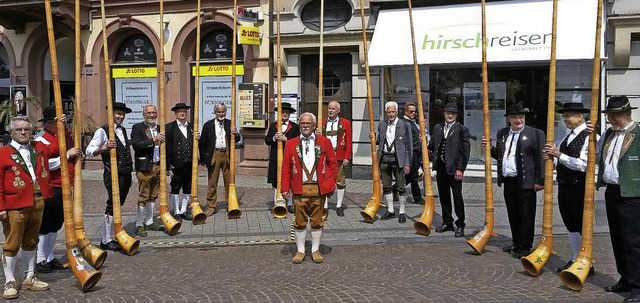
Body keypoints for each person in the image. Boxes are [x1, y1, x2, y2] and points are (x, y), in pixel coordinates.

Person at [482, 103, 544, 258]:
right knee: (513, 213)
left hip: (526, 181)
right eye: (515, 117)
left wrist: (539, 180)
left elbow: (540, 159)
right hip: (509, 181)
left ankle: (524, 246)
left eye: (521, 117)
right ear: (509, 119)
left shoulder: (535, 134)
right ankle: (516, 242)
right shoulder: (502, 133)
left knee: (526, 215)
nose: (518, 120)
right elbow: (501, 156)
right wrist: (489, 148)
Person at [0, 116, 52, 299]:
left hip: (36, 201)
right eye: (18, 130)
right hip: (14, 205)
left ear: (32, 131)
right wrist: (1, 207)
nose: (22, 133)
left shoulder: (37, 148)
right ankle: (9, 281)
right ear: (11, 133)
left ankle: (29, 277)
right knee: (12, 243)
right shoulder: (3, 153)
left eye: (26, 130)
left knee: (31, 241)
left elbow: (56, 142)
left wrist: (60, 123)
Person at [596, 96, 640, 302]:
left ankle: (637, 286)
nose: (611, 119)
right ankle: (625, 278)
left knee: (633, 241)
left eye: (615, 115)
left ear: (627, 113)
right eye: (610, 115)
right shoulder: (608, 135)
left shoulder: (638, 133)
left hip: (632, 193)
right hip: (612, 192)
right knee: (617, 238)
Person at [544, 102, 595, 274]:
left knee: (580, 223)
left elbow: (582, 165)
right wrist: (552, 157)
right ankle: (575, 257)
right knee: (570, 223)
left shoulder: (588, 136)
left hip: (579, 187)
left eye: (568, 116)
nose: (565, 119)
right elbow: (562, 158)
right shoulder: (568, 136)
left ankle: (587, 260)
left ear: (580, 116)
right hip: (565, 185)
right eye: (564, 116)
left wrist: (558, 154)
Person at [282, 112, 337, 264]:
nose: (305, 126)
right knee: (299, 221)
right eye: (302, 123)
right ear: (299, 125)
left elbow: (332, 164)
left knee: (317, 221)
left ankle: (315, 250)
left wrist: (330, 184)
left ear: (314, 126)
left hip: (319, 189)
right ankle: (300, 251)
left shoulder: (324, 142)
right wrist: (284, 188)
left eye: (308, 123)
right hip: (299, 189)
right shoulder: (291, 143)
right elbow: (286, 167)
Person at [34, 106, 83, 273]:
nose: (62, 123)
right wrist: (67, 155)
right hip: (51, 187)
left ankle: (49, 255)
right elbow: (44, 165)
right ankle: (40, 258)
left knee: (56, 222)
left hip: (64, 185)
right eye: (59, 120)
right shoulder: (42, 141)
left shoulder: (61, 136)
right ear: (49, 123)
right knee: (45, 223)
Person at [85, 102, 133, 251]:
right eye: (117, 114)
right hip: (112, 174)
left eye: (122, 114)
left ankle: (115, 234)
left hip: (125, 174)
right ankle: (105, 239)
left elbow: (125, 152)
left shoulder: (123, 131)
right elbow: (89, 151)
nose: (120, 117)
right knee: (112, 204)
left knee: (119, 204)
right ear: (111, 114)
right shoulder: (102, 131)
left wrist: (129, 174)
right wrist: (104, 148)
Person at [427, 101, 470, 237]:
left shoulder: (462, 129)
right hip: (441, 167)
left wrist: (460, 169)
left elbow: (465, 152)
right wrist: (425, 143)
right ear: (444, 114)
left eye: (452, 113)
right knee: (444, 196)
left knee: (457, 197)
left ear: (456, 115)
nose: (450, 115)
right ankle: (447, 222)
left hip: (454, 169)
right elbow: (433, 145)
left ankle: (460, 224)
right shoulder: (438, 128)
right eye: (447, 113)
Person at [199, 103, 241, 216]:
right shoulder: (208, 125)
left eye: (223, 112)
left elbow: (237, 139)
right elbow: (202, 143)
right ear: (215, 112)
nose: (221, 114)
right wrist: (203, 159)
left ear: (225, 112)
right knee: (212, 182)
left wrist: (235, 133)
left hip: (227, 155)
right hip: (214, 155)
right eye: (219, 112)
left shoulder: (230, 123)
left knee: (229, 182)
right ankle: (211, 206)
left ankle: (230, 203)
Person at [130, 105, 164, 236]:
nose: (151, 115)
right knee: (143, 195)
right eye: (148, 112)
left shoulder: (160, 128)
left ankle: (149, 221)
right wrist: (152, 140)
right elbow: (137, 145)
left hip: (158, 166)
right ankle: (139, 224)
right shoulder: (137, 127)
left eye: (154, 112)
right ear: (143, 114)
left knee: (153, 195)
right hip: (144, 167)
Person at [375, 101, 412, 223]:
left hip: (399, 159)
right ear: (386, 113)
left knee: (401, 187)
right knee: (386, 186)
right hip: (384, 158)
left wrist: (407, 163)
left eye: (393, 112)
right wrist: (373, 137)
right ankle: (390, 210)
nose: (391, 114)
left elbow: (408, 146)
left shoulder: (405, 125)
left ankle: (402, 211)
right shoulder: (381, 124)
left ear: (397, 112)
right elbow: (379, 140)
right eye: (389, 112)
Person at [265, 102, 300, 213]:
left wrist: (286, 139)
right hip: (276, 157)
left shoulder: (295, 127)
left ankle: (289, 203)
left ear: (289, 114)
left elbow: (298, 142)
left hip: (289, 157)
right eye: (282, 112)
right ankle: (277, 202)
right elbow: (267, 141)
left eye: (286, 112)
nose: (284, 114)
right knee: (276, 179)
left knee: (290, 178)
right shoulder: (273, 125)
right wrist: (274, 138)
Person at [320, 101, 352, 216]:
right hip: (324, 156)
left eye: (333, 109)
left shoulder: (345, 123)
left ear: (338, 110)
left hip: (339, 155)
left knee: (340, 181)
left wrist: (347, 157)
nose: (330, 110)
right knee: (324, 179)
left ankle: (339, 205)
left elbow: (348, 141)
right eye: (329, 108)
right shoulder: (321, 122)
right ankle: (325, 205)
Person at [166, 102, 195, 221]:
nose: (182, 113)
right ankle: (176, 211)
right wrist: (168, 165)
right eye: (179, 112)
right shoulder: (169, 127)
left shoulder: (192, 127)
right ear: (175, 113)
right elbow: (167, 148)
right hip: (176, 163)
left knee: (188, 187)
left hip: (189, 162)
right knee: (176, 187)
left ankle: (183, 210)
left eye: (184, 111)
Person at [394, 102, 424, 205]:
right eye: (411, 111)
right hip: (411, 152)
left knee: (409, 177)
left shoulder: (413, 122)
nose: (414, 113)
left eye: (415, 112)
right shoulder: (403, 123)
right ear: (405, 111)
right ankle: (418, 197)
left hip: (416, 151)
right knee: (414, 176)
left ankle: (395, 188)